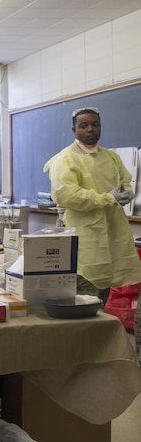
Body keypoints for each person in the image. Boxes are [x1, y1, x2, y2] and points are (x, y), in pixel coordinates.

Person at [43, 106, 141, 364]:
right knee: (84, 304)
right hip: (84, 240)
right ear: (74, 129)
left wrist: (126, 193)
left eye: (94, 125)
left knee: (102, 300)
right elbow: (66, 195)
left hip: (111, 237)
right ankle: (78, 359)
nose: (90, 130)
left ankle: (96, 357)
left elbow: (126, 182)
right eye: (84, 125)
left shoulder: (111, 158)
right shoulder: (66, 159)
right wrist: (107, 197)